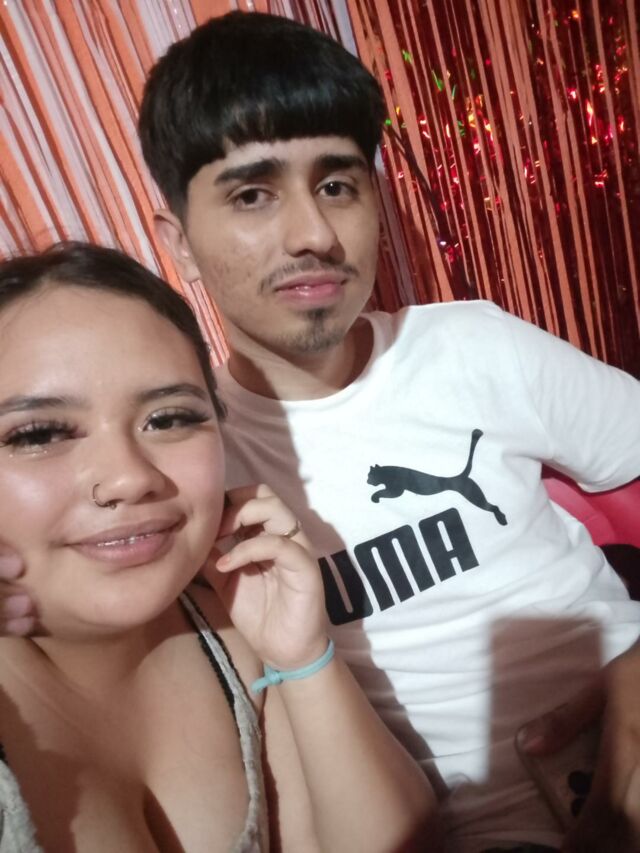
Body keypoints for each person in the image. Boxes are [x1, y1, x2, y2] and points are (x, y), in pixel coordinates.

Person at [1, 9, 638, 851]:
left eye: (338, 185)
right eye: (252, 194)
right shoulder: (185, 468)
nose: (313, 235)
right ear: (178, 243)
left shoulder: (475, 347)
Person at [0, 242, 438, 852]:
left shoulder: (226, 624)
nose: (130, 477)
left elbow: (405, 841)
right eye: (39, 433)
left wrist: (302, 656)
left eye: (168, 418)